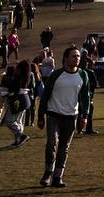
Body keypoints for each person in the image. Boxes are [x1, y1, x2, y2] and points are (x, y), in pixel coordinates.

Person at [37, 45, 92, 188]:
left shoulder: (83, 75)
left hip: (71, 116)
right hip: (54, 114)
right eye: (73, 56)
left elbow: (85, 97)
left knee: (64, 147)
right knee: (51, 143)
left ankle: (58, 176)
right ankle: (48, 172)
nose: (77, 58)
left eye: (78, 56)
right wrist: (41, 115)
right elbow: (45, 95)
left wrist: (84, 116)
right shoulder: (56, 75)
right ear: (66, 59)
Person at [3, 60, 33, 148]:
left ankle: (21, 135)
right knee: (19, 121)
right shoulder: (26, 77)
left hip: (18, 100)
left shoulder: (18, 77)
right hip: (25, 100)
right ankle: (18, 140)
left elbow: (14, 88)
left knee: (9, 121)